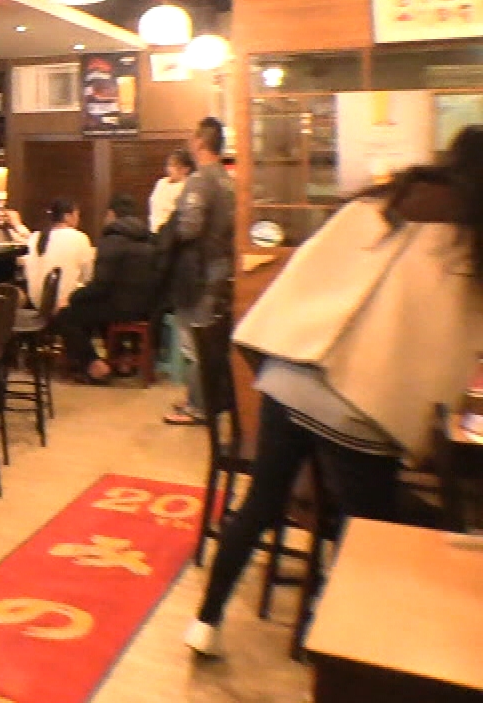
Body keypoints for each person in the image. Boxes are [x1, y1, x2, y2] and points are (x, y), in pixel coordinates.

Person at [185, 125, 483, 658]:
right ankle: (337, 645)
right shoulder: (467, 244)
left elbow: (308, 271)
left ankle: (205, 621)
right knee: (369, 532)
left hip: (292, 373)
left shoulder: (382, 202)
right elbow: (451, 345)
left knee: (261, 503)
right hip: (363, 404)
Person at [160, 118, 236, 426]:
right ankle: (203, 397)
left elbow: (190, 227)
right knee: (212, 341)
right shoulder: (229, 180)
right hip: (223, 268)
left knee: (194, 343)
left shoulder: (201, 179)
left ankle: (198, 406)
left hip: (200, 273)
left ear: (200, 142)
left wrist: (171, 231)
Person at [52, 194, 154, 383]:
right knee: (92, 309)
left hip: (120, 307)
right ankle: (122, 358)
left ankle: (94, 365)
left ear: (111, 214)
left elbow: (100, 285)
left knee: (67, 315)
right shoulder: (148, 237)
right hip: (146, 307)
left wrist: (71, 298)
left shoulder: (112, 240)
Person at [22, 198, 94, 315]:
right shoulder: (79, 237)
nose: (78, 219)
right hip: (64, 305)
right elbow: (88, 276)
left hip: (36, 303)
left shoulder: (35, 236)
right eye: (77, 215)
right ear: (67, 216)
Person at [150, 148, 193, 234]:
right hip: (153, 230)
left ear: (186, 169)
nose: (169, 169)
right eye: (169, 165)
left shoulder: (187, 187)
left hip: (171, 233)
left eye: (174, 165)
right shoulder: (161, 182)